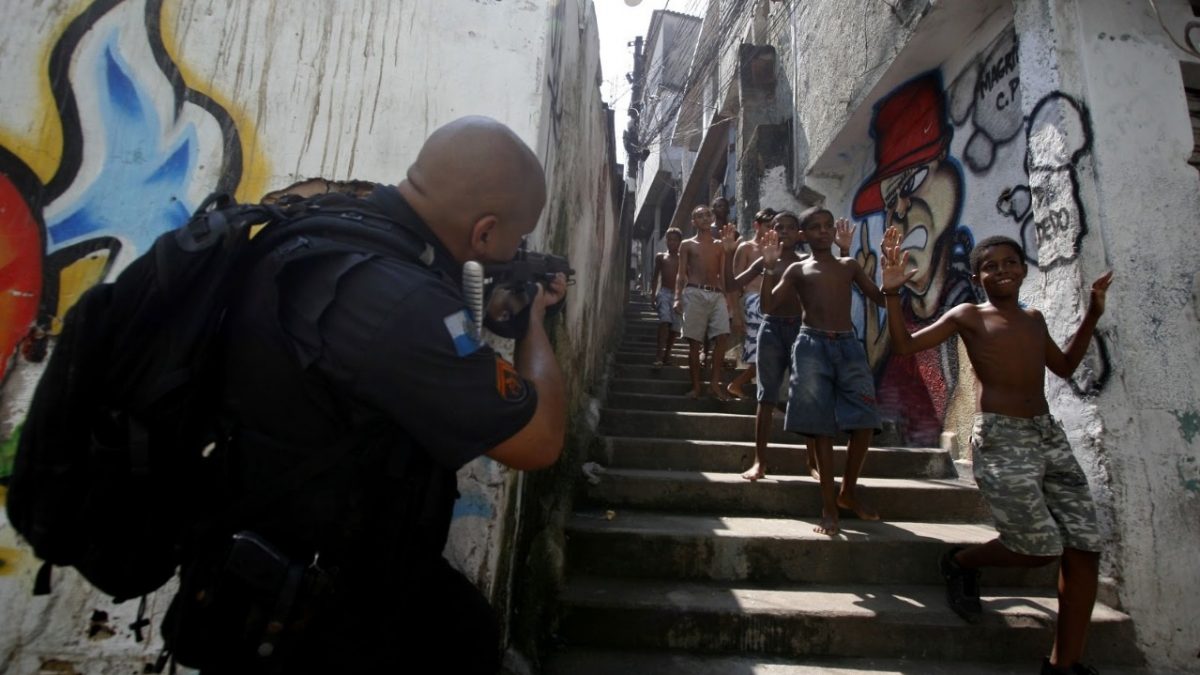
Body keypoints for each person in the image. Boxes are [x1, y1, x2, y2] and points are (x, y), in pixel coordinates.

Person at [209, 116, 567, 674]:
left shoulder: (332, 228)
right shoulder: (401, 304)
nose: (515, 250)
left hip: (268, 563)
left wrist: (499, 306)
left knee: (463, 625)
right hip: (314, 610)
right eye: (515, 240)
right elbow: (539, 440)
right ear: (485, 233)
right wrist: (537, 322)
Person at [880, 231, 1112, 675]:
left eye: (1010, 262)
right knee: (1040, 547)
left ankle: (1064, 665)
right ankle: (961, 561)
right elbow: (906, 345)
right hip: (1003, 440)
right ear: (976, 275)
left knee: (1084, 548)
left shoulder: (1034, 318)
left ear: (1024, 270)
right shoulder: (969, 314)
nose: (1002, 270)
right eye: (991, 265)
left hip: (1048, 438)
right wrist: (892, 291)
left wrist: (1091, 317)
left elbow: (1062, 367)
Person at [763, 207, 884, 535]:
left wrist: (896, 281)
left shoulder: (848, 265)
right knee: (822, 429)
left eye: (828, 226)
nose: (823, 231)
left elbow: (880, 297)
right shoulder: (799, 270)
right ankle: (829, 507)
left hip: (848, 346)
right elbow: (768, 307)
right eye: (815, 227)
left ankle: (848, 491)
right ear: (804, 235)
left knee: (865, 422)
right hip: (812, 346)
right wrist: (770, 268)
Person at [729, 211, 856, 482]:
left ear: (799, 234)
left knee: (806, 396)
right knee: (766, 397)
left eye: (789, 227)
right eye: (778, 227)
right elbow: (731, 285)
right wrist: (731, 253)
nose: (783, 232)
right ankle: (759, 461)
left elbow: (840, 274)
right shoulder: (766, 260)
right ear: (770, 232)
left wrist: (844, 248)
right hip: (772, 329)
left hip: (801, 330)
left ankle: (812, 460)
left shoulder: (805, 261)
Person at [673, 205, 734, 400]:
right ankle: (696, 387)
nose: (705, 218)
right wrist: (677, 297)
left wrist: (728, 299)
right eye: (700, 216)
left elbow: (724, 274)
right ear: (694, 222)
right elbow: (681, 274)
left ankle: (715, 384)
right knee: (694, 343)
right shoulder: (687, 244)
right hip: (694, 292)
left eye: (708, 215)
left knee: (722, 337)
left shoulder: (719, 245)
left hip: (716, 294)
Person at [723, 208, 775, 399]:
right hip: (753, 303)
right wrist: (735, 314)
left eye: (774, 226)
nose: (772, 230)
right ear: (757, 226)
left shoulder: (776, 248)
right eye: (768, 226)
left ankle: (739, 385)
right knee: (761, 352)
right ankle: (739, 384)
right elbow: (734, 284)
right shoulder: (746, 248)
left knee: (770, 352)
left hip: (772, 304)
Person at [651, 228, 683, 366]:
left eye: (675, 240)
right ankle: (659, 354)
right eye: (669, 239)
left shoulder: (683, 258)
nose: (671, 242)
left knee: (675, 328)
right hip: (664, 292)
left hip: (679, 295)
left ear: (680, 242)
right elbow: (655, 276)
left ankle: (667, 354)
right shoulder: (661, 257)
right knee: (665, 322)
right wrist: (653, 295)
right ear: (666, 241)